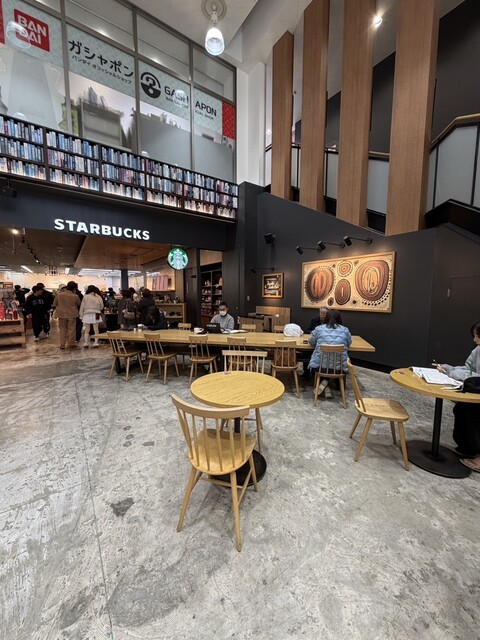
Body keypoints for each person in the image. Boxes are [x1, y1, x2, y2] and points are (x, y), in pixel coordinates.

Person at [436, 321, 480, 469]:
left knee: (475, 415)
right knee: (461, 409)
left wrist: (453, 372)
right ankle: (467, 448)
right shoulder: (477, 350)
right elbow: (469, 369)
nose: (474, 340)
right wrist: (449, 369)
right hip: (474, 391)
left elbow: (475, 376)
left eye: (477, 336)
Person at [308, 309, 352, 399]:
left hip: (320, 367)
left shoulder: (319, 329)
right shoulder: (345, 330)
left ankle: (324, 384)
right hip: (339, 369)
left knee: (315, 367)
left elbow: (311, 342)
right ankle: (327, 383)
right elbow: (349, 343)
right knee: (334, 366)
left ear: (326, 317)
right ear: (339, 318)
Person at [52, 281, 81, 349]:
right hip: (72, 314)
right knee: (72, 329)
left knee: (62, 329)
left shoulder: (59, 295)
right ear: (74, 288)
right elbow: (78, 303)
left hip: (62, 314)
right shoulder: (75, 296)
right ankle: (71, 344)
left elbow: (54, 304)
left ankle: (62, 344)